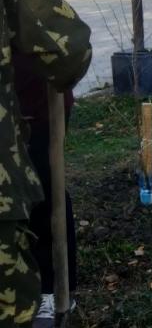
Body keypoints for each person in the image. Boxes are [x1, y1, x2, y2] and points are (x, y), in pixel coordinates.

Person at [0, 0, 92, 325]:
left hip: (29, 103)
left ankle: (53, 288)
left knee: (43, 191)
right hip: (22, 111)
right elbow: (66, 50)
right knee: (37, 193)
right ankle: (49, 292)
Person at [13, 53, 79, 328]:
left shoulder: (28, 9)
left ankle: (50, 290)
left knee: (42, 193)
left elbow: (73, 51)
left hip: (36, 111)